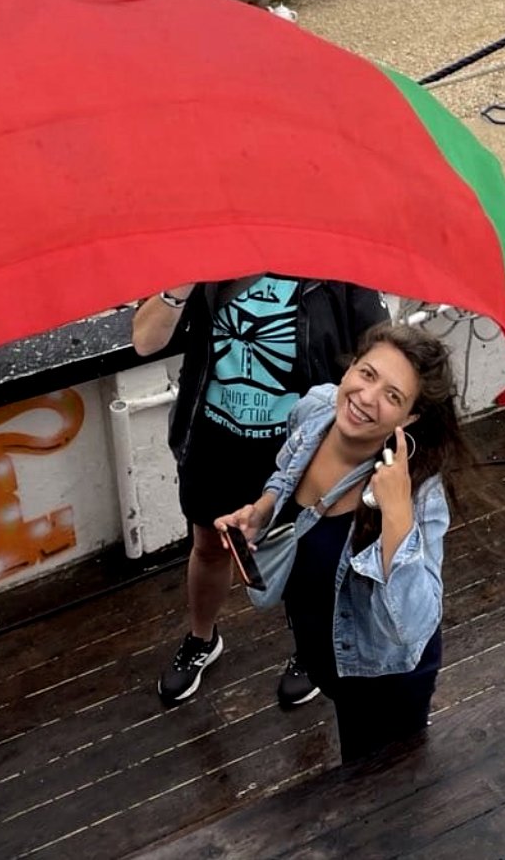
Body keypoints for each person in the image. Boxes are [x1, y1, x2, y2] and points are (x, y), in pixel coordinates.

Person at [133, 277, 389, 707]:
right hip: (214, 441)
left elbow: (378, 350)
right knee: (210, 546)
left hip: (300, 445)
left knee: (304, 555)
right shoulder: (209, 259)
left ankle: (310, 649)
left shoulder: (333, 268)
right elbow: (145, 341)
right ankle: (201, 638)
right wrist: (182, 281)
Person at [216, 323, 465, 763]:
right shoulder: (315, 409)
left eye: (393, 396)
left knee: (372, 787)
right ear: (351, 367)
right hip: (320, 648)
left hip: (380, 677)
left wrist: (398, 518)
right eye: (367, 374)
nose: (367, 398)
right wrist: (265, 507)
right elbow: (287, 469)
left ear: (409, 419)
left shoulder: (419, 493)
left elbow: (415, 626)